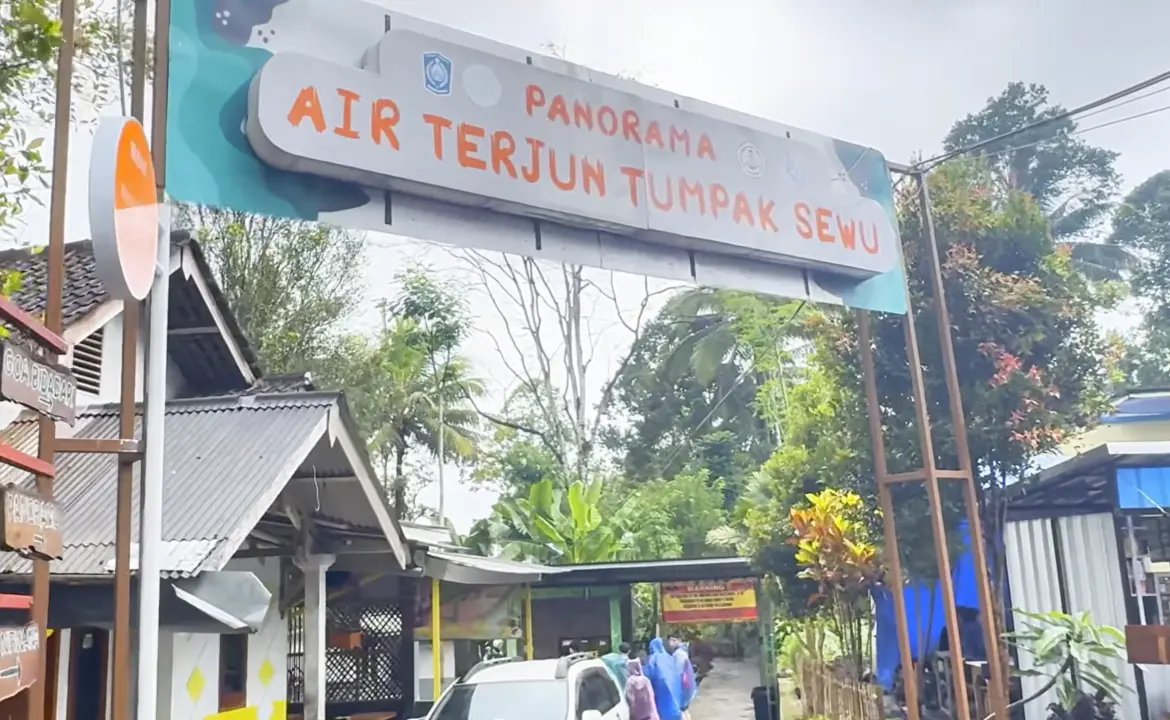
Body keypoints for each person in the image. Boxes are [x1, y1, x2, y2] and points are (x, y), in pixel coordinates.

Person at [644, 638, 683, 720]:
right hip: (674, 695)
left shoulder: (652, 660)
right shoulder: (670, 658)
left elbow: (647, 677)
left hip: (660, 693)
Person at [671, 637, 698, 720]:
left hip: (683, 685)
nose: (671, 643)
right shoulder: (683, 652)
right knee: (685, 709)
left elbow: (678, 671)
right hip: (687, 684)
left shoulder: (678, 654)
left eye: (673, 640)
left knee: (682, 709)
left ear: (679, 640)